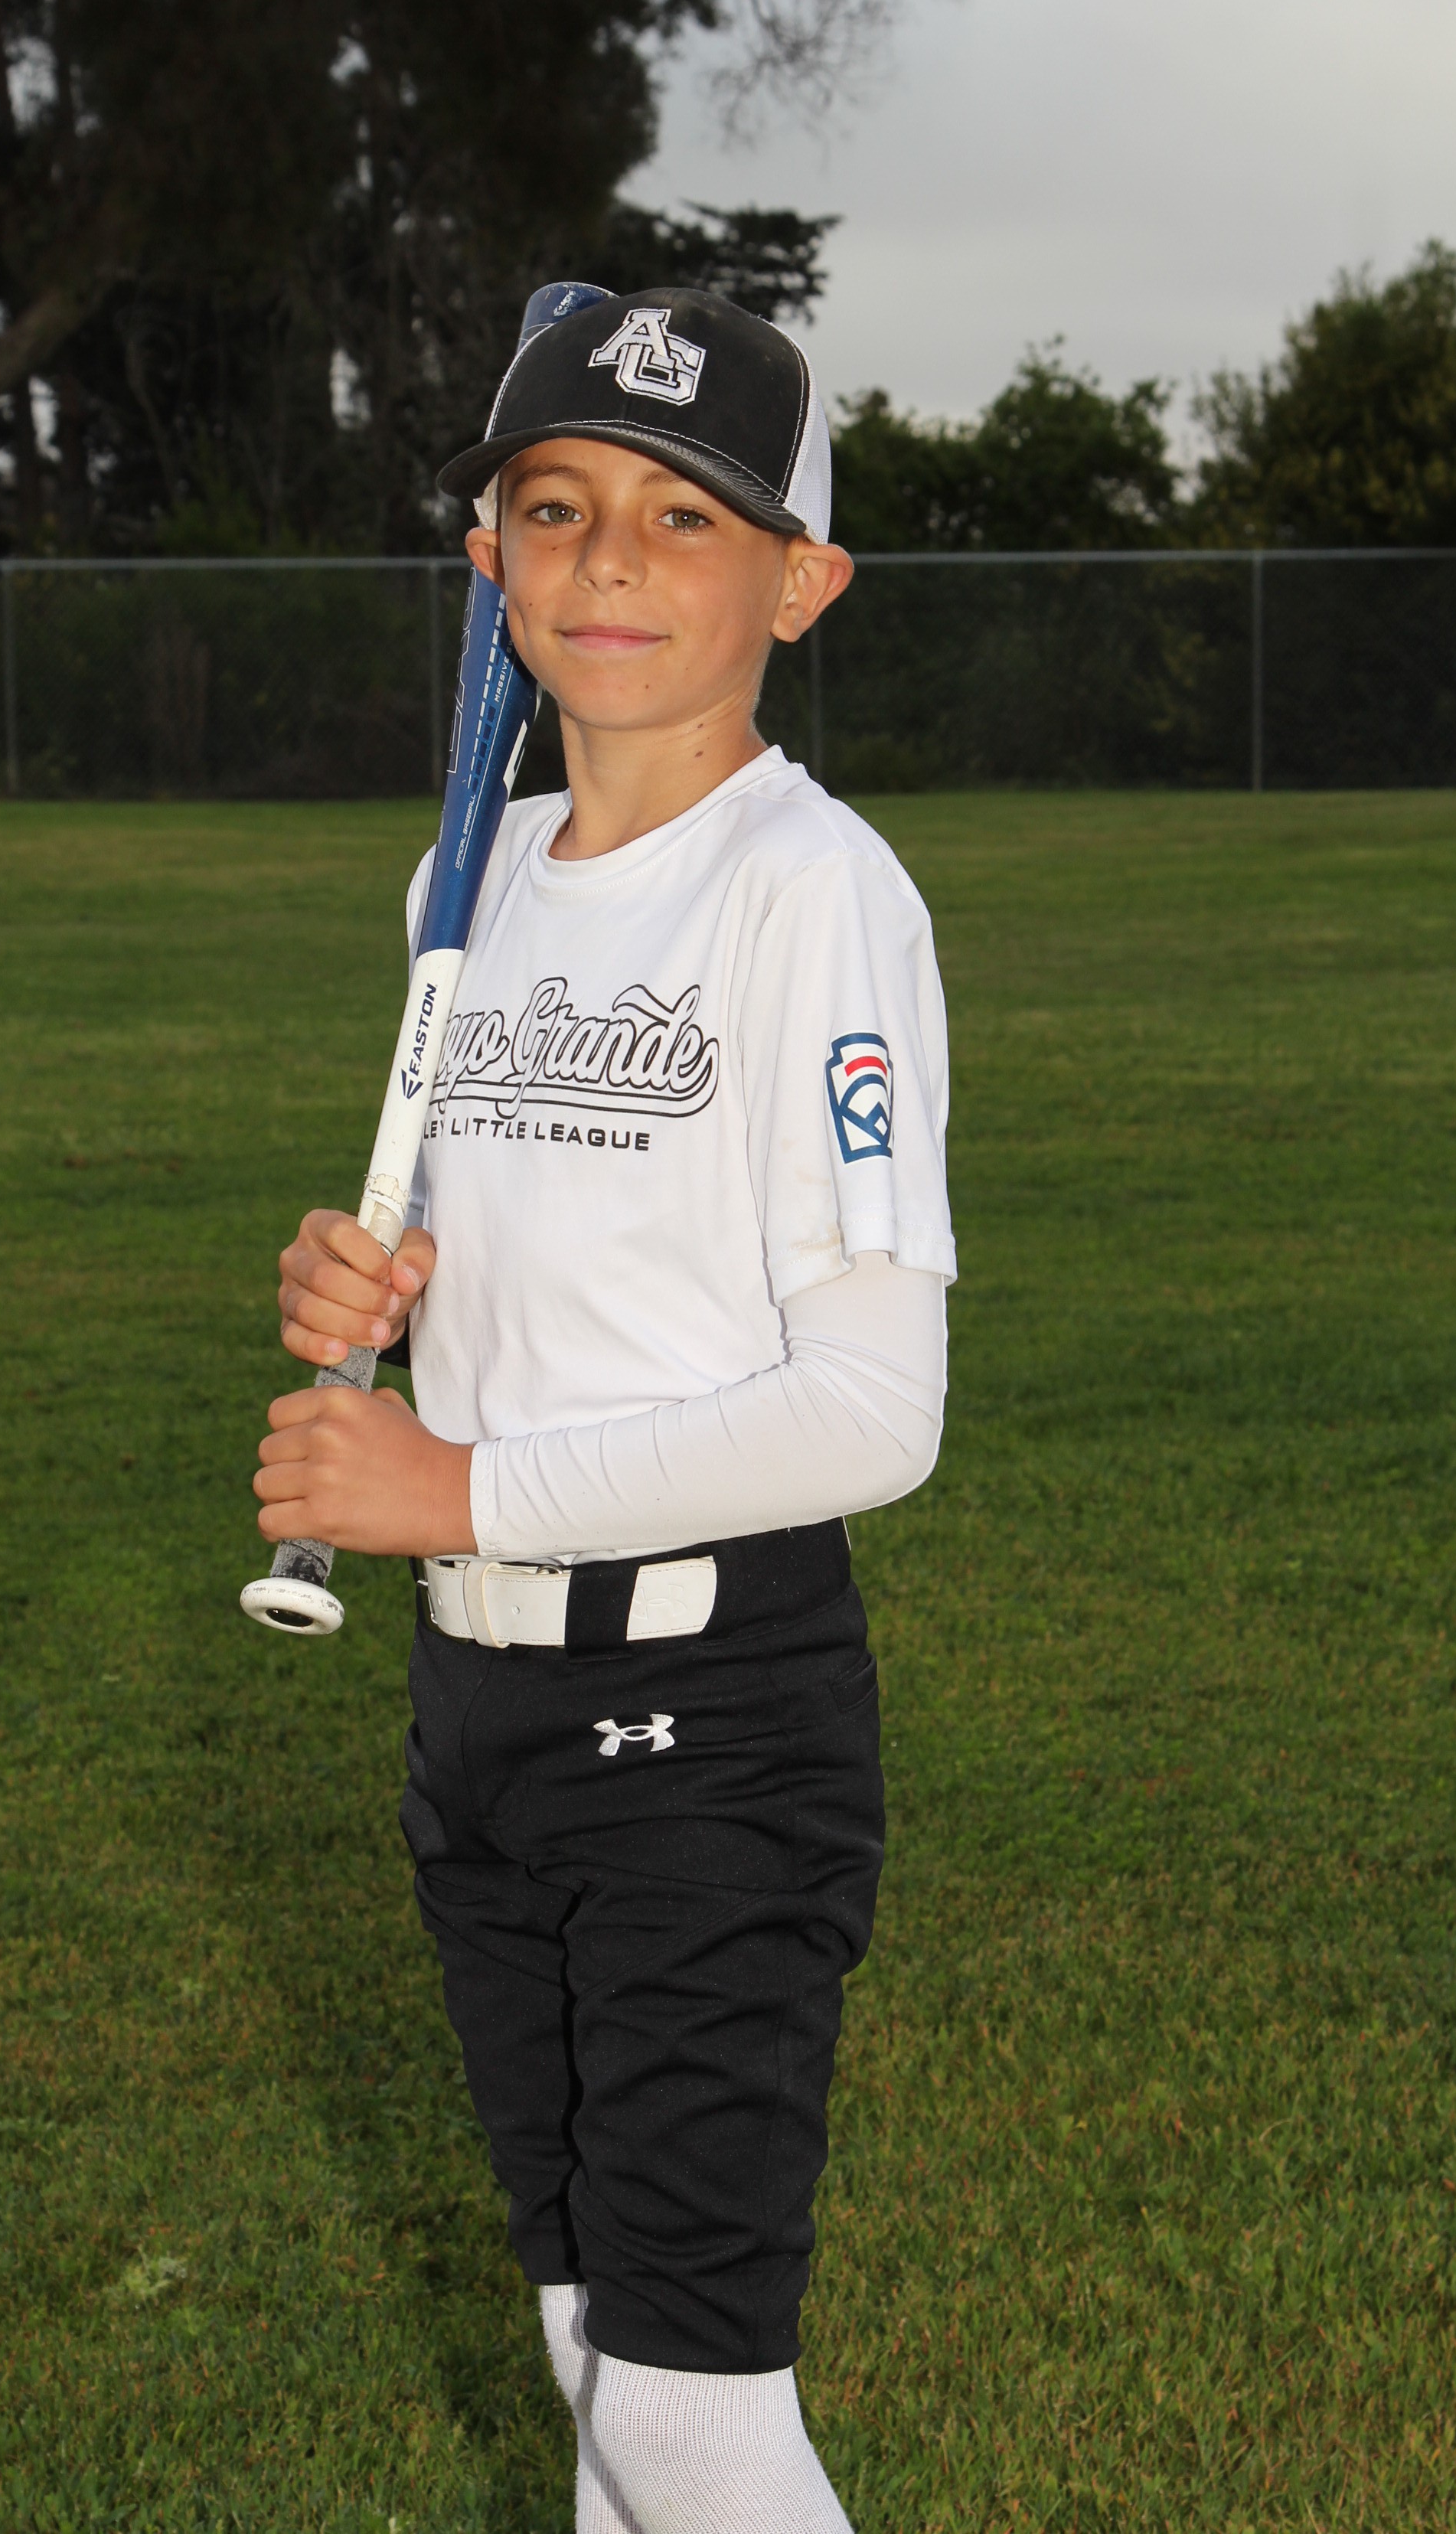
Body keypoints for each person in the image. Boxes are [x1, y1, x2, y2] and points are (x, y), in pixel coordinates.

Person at [252, 286, 955, 2533]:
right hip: (480, 1714)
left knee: (685, 2413)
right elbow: (536, 1262)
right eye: (556, 509)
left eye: (687, 516)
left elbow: (873, 1410)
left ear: (802, 583)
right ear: (490, 561)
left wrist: (456, 1479)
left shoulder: (809, 893)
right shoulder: (466, 879)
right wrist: (377, 1299)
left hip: (711, 1718)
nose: (613, 560)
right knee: (592, 2363)